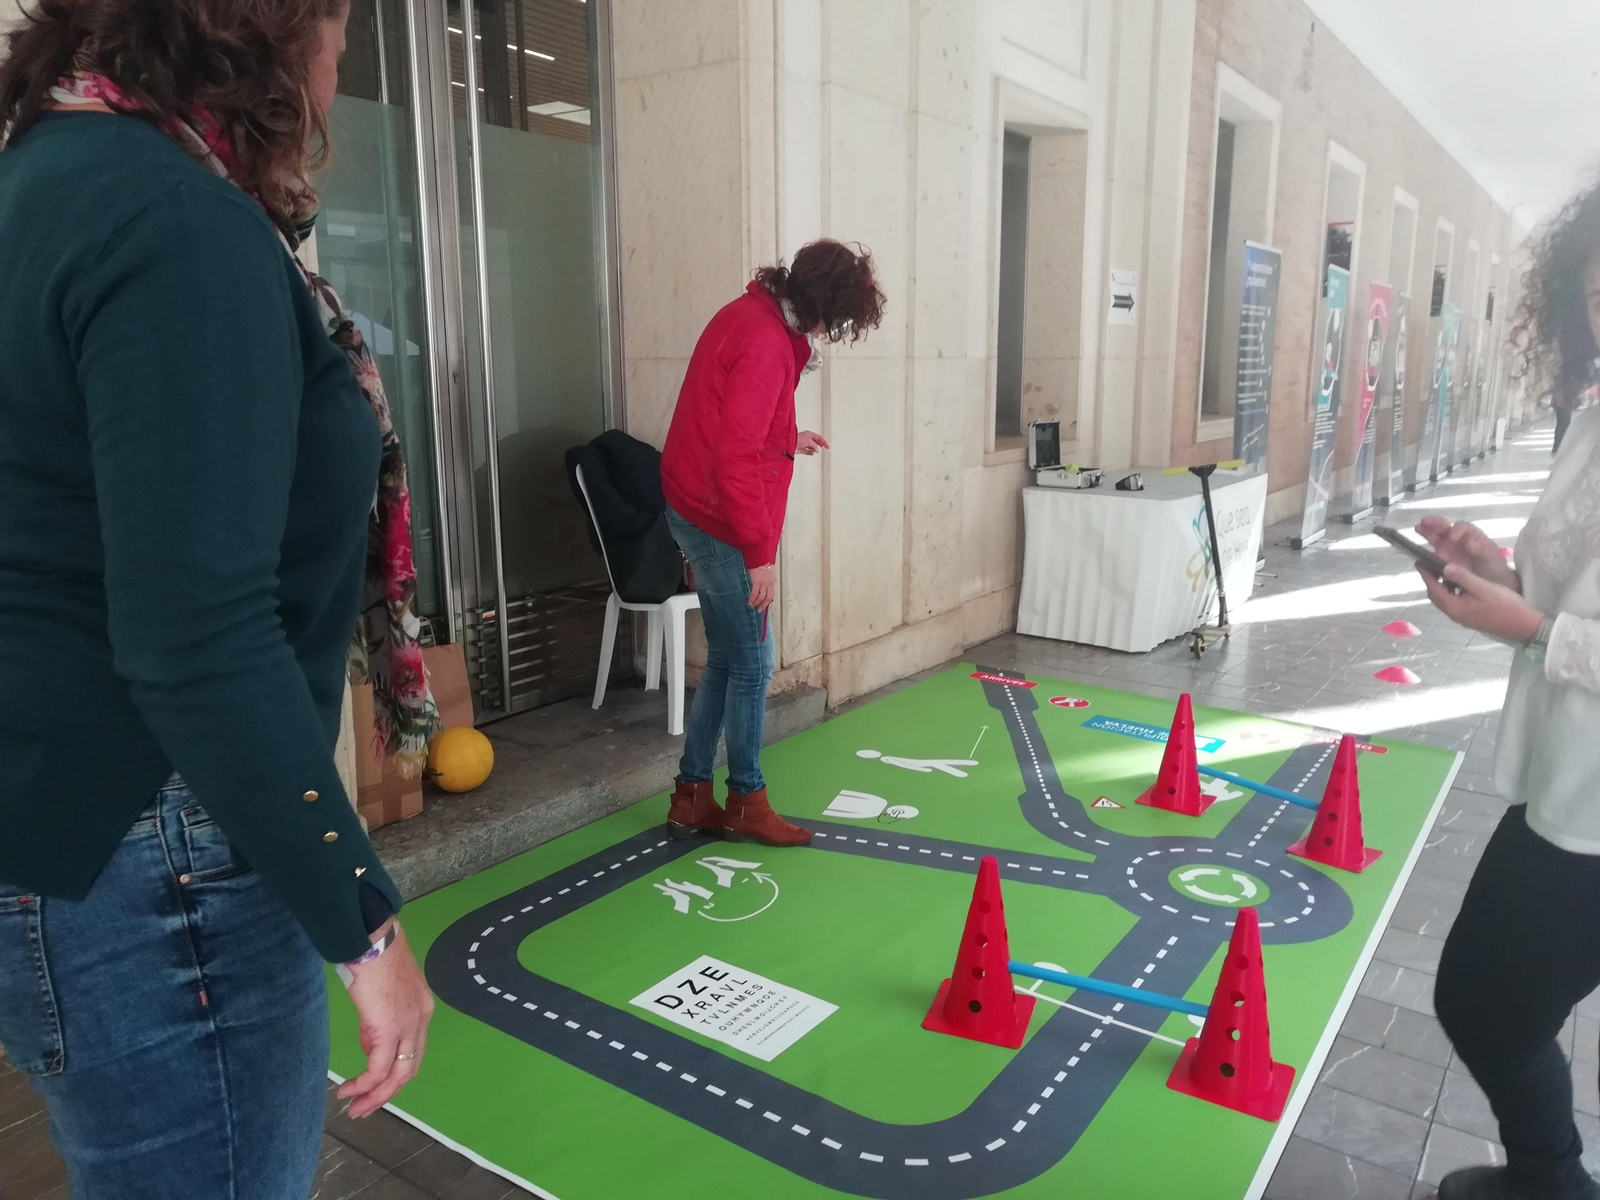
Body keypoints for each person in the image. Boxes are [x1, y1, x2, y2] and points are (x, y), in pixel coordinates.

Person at [0, 3, 434, 1197]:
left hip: (66, 826)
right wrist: (365, 926)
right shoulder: (177, 223)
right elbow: (195, 635)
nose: (341, 68)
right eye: (338, 30)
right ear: (268, 35)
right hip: (157, 847)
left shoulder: (45, 177)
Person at [1417, 177, 1600, 1200]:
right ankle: (1547, 1177)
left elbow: (1559, 625)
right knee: (1491, 1002)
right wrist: (1501, 574)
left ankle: (1553, 1182)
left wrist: (1528, 628)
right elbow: (1573, 586)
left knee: (1490, 1005)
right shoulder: (1593, 414)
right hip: (1561, 776)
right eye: (1598, 294)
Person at [660, 241, 884, 846]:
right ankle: (746, 800)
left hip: (695, 504)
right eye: (837, 318)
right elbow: (734, 457)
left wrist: (788, 437)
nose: (831, 331)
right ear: (820, 305)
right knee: (755, 664)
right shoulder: (766, 342)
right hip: (720, 520)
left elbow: (734, 421)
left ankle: (692, 796)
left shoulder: (753, 315)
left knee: (729, 658)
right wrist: (759, 556)